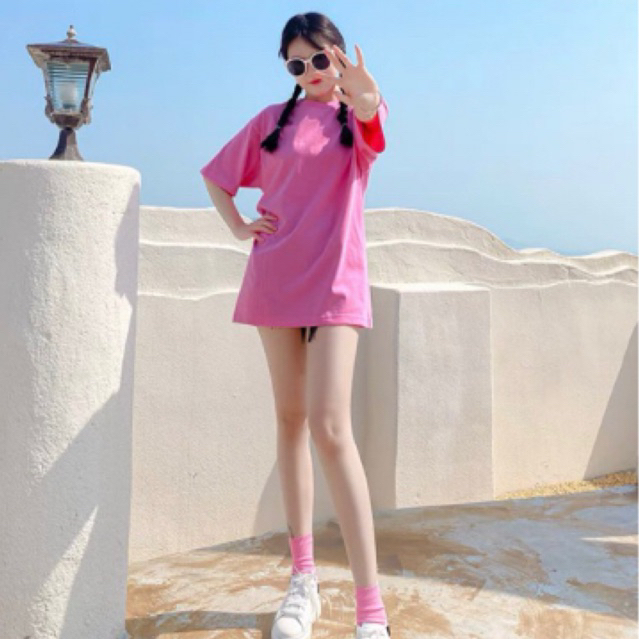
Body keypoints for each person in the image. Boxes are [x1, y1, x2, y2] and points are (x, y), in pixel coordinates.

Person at [201, 11, 390, 639]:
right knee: (289, 421)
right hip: (275, 278)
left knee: (331, 427)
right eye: (296, 63)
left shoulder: (355, 117)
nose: (309, 71)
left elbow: (373, 121)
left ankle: (370, 609)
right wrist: (238, 226)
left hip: (335, 283)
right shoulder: (269, 122)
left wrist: (365, 95)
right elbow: (217, 176)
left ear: (338, 54)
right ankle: (302, 581)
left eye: (319, 58)